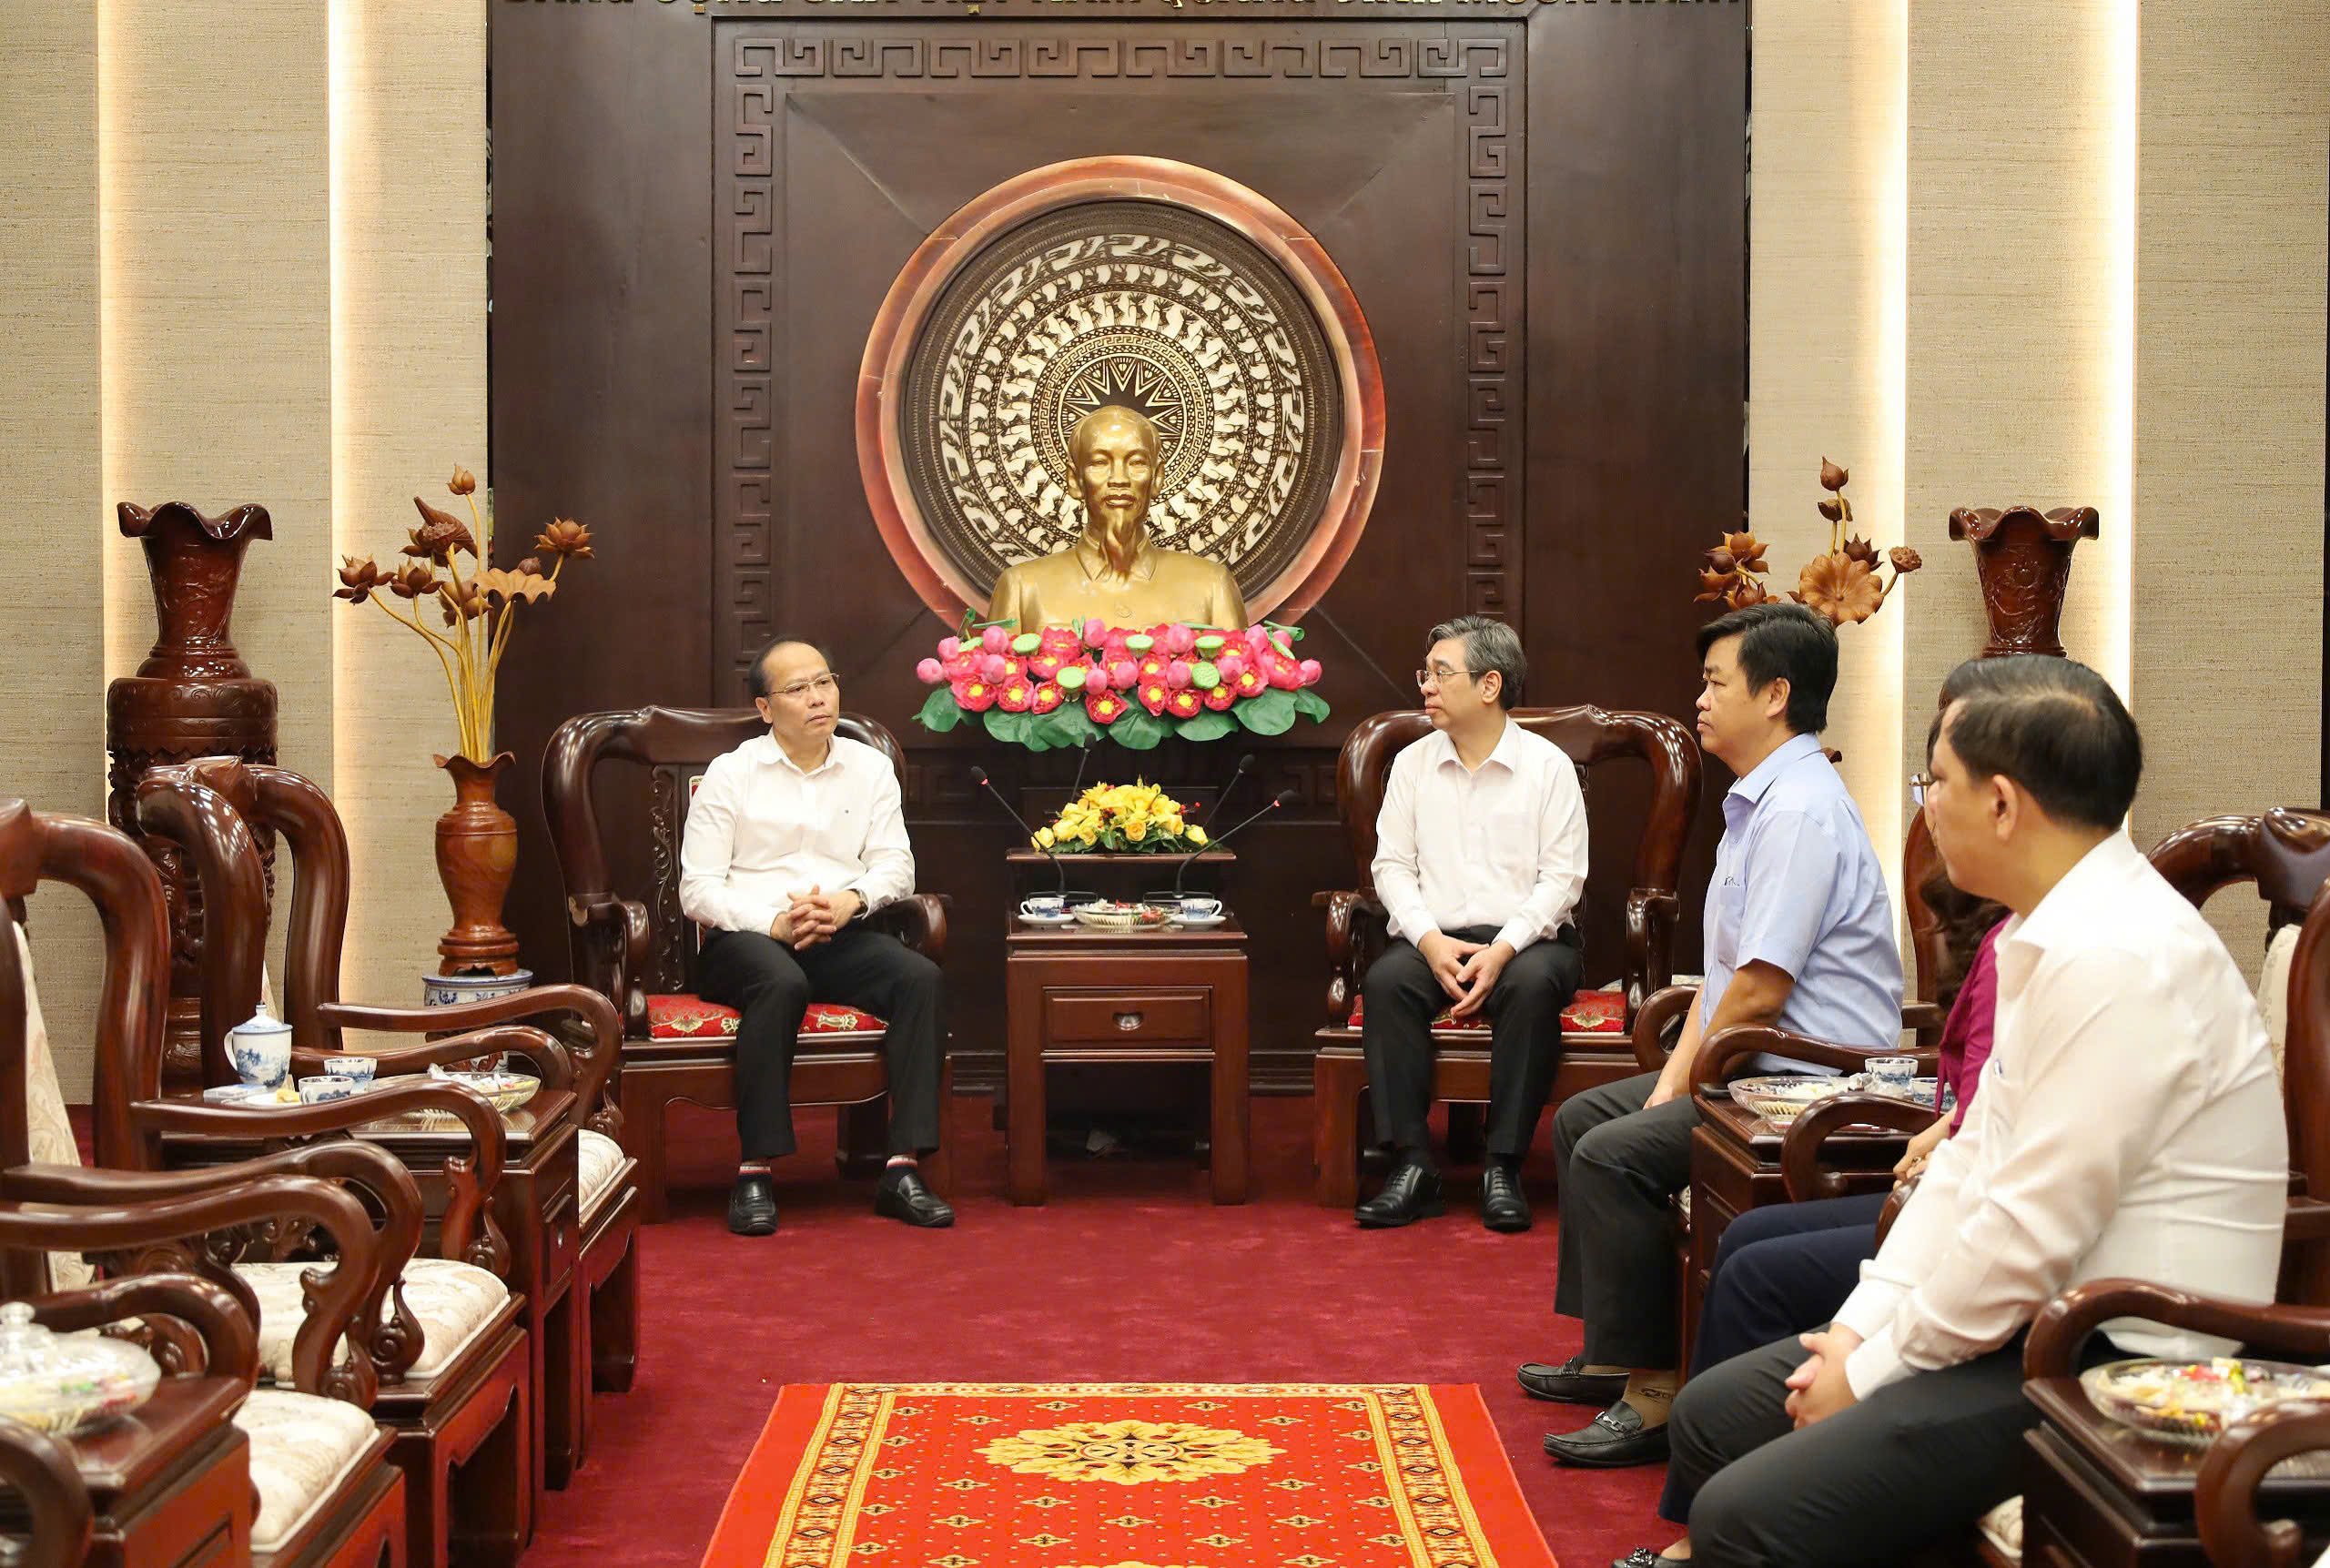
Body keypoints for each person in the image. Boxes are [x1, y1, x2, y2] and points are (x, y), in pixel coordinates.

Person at [1636, 655, 2288, 1568]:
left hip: (2118, 1355)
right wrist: (1857, 1332)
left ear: (2003, 804)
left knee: (1745, 1514)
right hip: (2036, 1317)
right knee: (1713, 1415)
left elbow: (2025, 1232)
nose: (1927, 805)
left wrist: (1867, 1372)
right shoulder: (2043, 928)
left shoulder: (2120, 959)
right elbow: (1966, 1169)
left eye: (1936, 781)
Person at [1529, 601, 1902, 1468]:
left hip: (1814, 1080)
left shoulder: (1800, 809)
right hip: (1754, 1063)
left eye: (1714, 682)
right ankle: (1616, 1348)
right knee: (1586, 1121)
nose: (1698, 699)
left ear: (1775, 695)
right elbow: (1725, 975)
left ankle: (1654, 1392)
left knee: (1615, 1153)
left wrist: (1680, 1084)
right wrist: (1672, 1080)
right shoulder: (1758, 799)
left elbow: (1762, 988)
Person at [681, 636, 955, 1235]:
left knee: (920, 978)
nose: (817, 698)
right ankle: (755, 1170)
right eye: (798, 688)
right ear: (764, 708)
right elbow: (697, 890)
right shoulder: (731, 774)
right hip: (746, 939)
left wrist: (851, 900)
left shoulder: (869, 768)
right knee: (781, 981)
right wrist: (774, 922)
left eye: (824, 682)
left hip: (838, 931)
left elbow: (895, 864)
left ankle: (902, 1168)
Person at [1353, 614, 1590, 1232]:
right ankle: (1412, 1166)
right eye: (1425, 673)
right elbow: (1391, 866)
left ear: (1490, 684)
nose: (1426, 686)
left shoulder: (1548, 767)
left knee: (1531, 987)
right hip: (1435, 936)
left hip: (1529, 940)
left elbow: (1562, 880)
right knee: (1386, 982)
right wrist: (1429, 940)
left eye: (1441, 673)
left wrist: (1504, 948)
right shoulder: (1412, 765)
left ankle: (1503, 1165)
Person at [986, 405, 1248, 632]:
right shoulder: (1021, 589)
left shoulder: (1212, 587)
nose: (1119, 479)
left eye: (1136, 462)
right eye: (1100, 463)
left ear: (1157, 478)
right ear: (1075, 480)